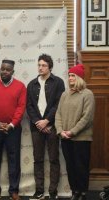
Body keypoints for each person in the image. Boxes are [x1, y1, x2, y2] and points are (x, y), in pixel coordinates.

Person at [0, 59, 26, 200]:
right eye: (2, 69)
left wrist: (11, 124)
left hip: (13, 129)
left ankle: (13, 191)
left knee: (14, 161)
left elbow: (21, 108)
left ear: (13, 71)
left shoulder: (20, 86)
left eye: (8, 70)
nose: (4, 71)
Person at [27, 54, 65, 200]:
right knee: (38, 159)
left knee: (54, 158)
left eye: (43, 65)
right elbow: (29, 106)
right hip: (36, 127)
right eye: (39, 65)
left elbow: (58, 104)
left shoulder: (58, 82)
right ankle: (39, 190)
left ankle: (53, 191)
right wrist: (39, 122)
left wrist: (47, 121)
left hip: (53, 126)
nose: (40, 67)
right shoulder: (31, 84)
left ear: (50, 66)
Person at [55, 64, 95, 200]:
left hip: (81, 138)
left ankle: (82, 192)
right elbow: (58, 114)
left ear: (79, 77)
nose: (70, 78)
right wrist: (60, 131)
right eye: (69, 75)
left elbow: (87, 117)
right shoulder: (64, 94)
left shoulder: (87, 94)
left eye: (73, 75)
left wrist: (72, 132)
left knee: (81, 167)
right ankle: (75, 191)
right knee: (70, 167)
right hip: (65, 137)